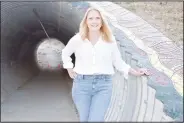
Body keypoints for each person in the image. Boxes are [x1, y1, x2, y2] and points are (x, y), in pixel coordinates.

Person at [61, 7, 150, 122]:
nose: (94, 21)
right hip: (81, 85)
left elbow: (117, 61)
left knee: (96, 119)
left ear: (102, 21)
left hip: (103, 86)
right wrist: (69, 68)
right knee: (84, 119)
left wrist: (134, 71)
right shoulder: (78, 39)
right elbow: (65, 53)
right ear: (86, 21)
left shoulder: (109, 39)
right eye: (91, 18)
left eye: (97, 18)